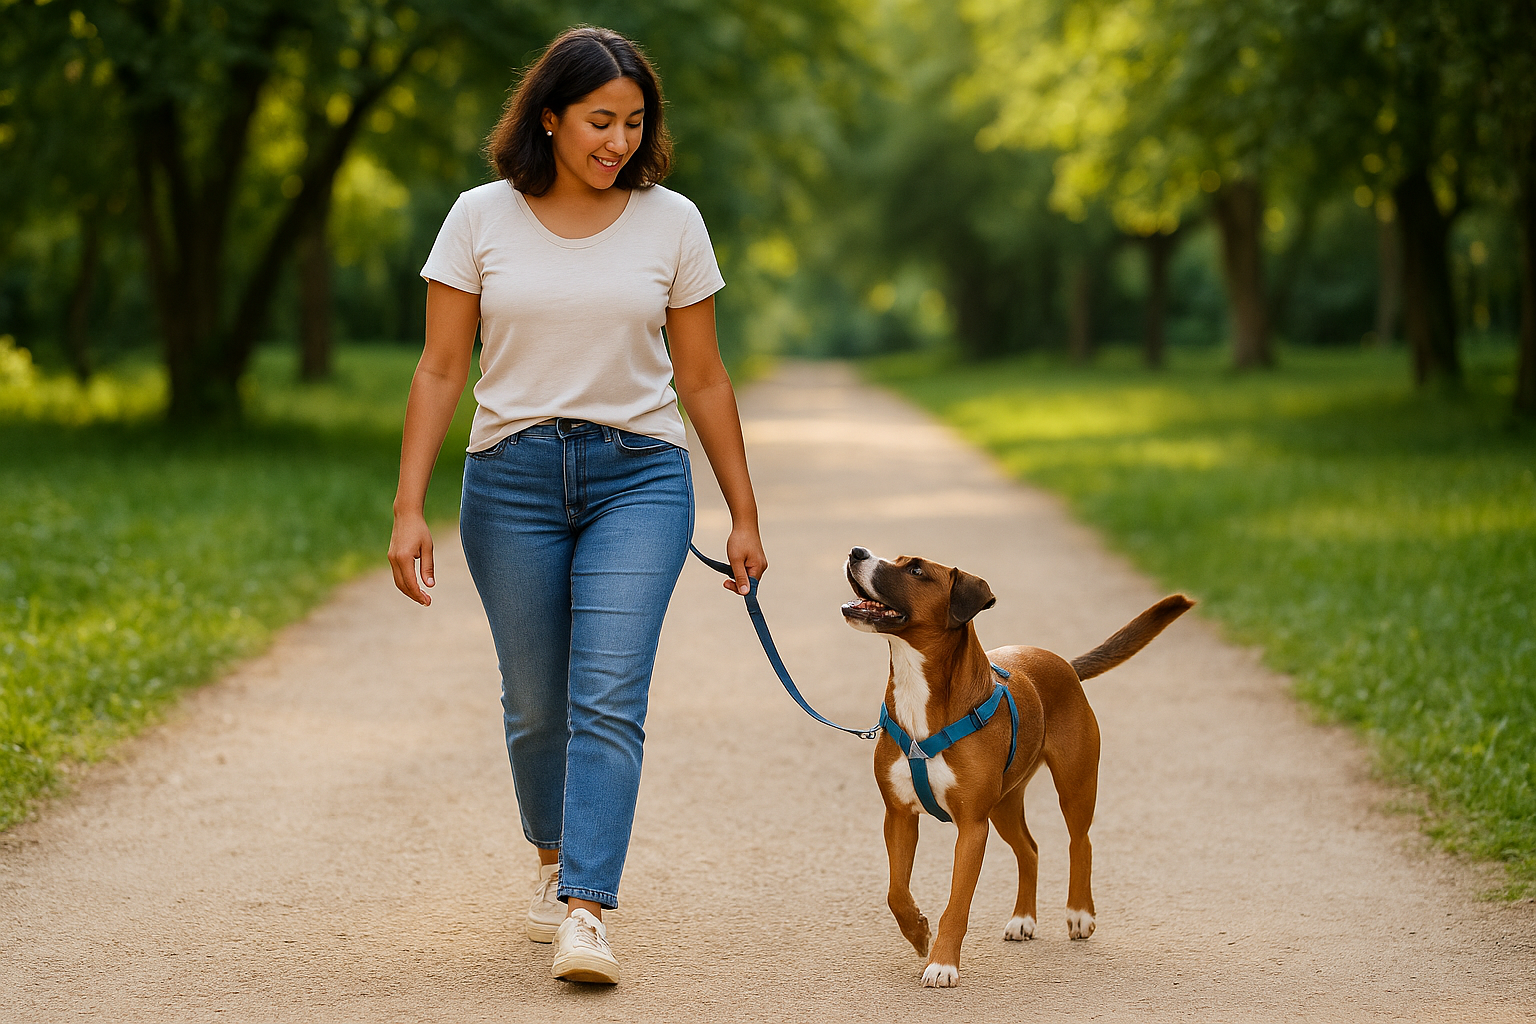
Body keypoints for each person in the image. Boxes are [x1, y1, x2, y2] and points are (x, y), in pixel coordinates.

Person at [386, 25, 767, 985]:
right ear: (548, 117)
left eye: (636, 123)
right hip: (509, 478)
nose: (619, 142)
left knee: (607, 695)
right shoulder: (479, 218)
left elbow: (706, 377)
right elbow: (438, 371)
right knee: (534, 705)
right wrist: (407, 506)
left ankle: (588, 909)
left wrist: (743, 513)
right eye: (601, 120)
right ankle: (553, 860)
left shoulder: (673, 222)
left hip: (640, 476)